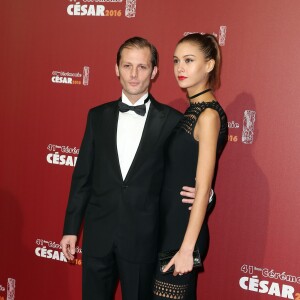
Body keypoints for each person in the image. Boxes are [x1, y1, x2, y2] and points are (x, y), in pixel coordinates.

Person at [60, 37, 207, 300]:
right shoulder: (97, 116)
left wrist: (207, 195)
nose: (134, 74)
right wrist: (71, 229)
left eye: (142, 67)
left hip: (143, 239)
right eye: (127, 66)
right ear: (117, 69)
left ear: (154, 72)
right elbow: (82, 177)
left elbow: (190, 171)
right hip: (98, 237)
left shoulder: (173, 121)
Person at [153, 33, 228, 299]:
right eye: (176, 61)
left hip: (182, 233)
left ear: (209, 65)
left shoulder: (208, 115)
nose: (180, 68)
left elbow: (203, 185)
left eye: (188, 60)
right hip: (169, 225)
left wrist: (186, 249)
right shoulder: (192, 110)